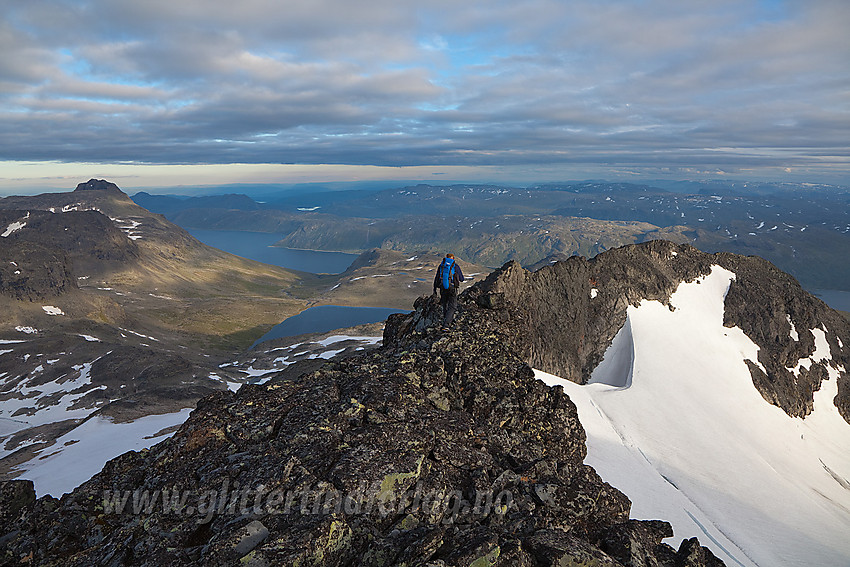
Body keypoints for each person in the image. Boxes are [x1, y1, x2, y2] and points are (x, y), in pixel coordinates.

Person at [433, 253, 465, 331]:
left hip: (442, 288)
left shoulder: (442, 266)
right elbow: (461, 279)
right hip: (452, 288)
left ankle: (446, 320)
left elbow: (437, 277)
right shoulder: (455, 266)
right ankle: (446, 325)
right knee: (452, 306)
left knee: (445, 304)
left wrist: (435, 289)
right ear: (453, 259)